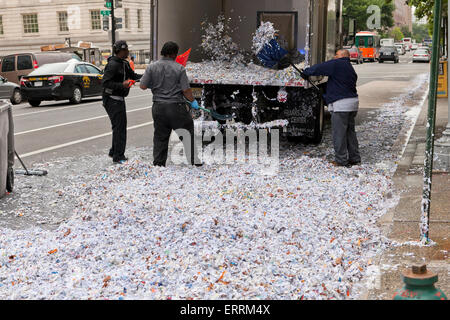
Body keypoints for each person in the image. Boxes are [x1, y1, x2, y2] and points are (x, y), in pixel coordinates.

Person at [140, 41, 201, 167]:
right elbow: (186, 90)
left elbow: (143, 85)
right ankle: (194, 161)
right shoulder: (179, 68)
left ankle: (158, 163)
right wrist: (193, 101)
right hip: (175, 107)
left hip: (158, 107)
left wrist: (155, 86)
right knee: (187, 132)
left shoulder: (151, 67)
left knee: (160, 136)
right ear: (174, 54)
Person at [301, 49, 361, 167]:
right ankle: (355, 158)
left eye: (336, 54)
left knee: (339, 134)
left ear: (343, 56)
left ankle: (341, 160)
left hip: (341, 106)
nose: (334, 56)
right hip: (352, 104)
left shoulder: (337, 63)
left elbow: (320, 67)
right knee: (350, 133)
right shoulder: (349, 67)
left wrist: (307, 72)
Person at [102, 40, 142, 164]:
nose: (128, 51)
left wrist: (147, 76)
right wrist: (122, 85)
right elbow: (106, 82)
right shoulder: (113, 65)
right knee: (120, 128)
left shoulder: (124, 64)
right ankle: (118, 156)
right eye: (126, 50)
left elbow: (134, 75)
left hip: (118, 99)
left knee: (118, 127)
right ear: (120, 51)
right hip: (112, 99)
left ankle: (114, 151)